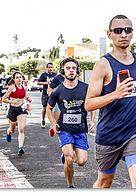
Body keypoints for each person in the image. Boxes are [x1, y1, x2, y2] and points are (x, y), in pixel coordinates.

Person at [85, 14, 136, 188]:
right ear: (110, 35)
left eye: (128, 30)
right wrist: (115, 94)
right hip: (109, 134)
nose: (123, 34)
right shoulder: (103, 65)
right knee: (104, 183)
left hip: (135, 131)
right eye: (118, 31)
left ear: (132, 33)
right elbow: (88, 103)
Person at [46, 57, 96, 188]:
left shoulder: (86, 88)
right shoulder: (57, 90)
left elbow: (93, 104)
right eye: (68, 68)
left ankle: (67, 153)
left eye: (74, 68)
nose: (71, 70)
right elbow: (49, 108)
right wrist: (53, 123)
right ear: (63, 71)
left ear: (77, 70)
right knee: (69, 159)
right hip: (64, 129)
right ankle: (71, 185)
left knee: (81, 161)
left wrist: (92, 120)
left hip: (80, 129)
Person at [2, 71, 32, 156]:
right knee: (12, 129)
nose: (19, 79)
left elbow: (24, 95)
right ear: (14, 79)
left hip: (21, 109)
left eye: (20, 77)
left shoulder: (24, 87)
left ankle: (20, 148)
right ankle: (8, 132)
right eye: (17, 77)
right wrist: (12, 101)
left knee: (21, 129)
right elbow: (3, 100)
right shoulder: (12, 88)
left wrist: (28, 98)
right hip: (12, 109)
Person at [47, 59, 65, 136]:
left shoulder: (73, 79)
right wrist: (57, 96)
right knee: (58, 123)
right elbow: (49, 90)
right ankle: (53, 126)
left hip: (69, 101)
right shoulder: (57, 78)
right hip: (58, 101)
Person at [37, 62, 56, 128]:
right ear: (47, 68)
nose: (50, 69)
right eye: (49, 67)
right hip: (45, 93)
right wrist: (46, 83)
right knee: (44, 108)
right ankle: (43, 120)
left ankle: (53, 122)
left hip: (53, 94)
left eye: (51, 67)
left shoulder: (55, 75)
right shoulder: (43, 75)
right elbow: (38, 83)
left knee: (53, 108)